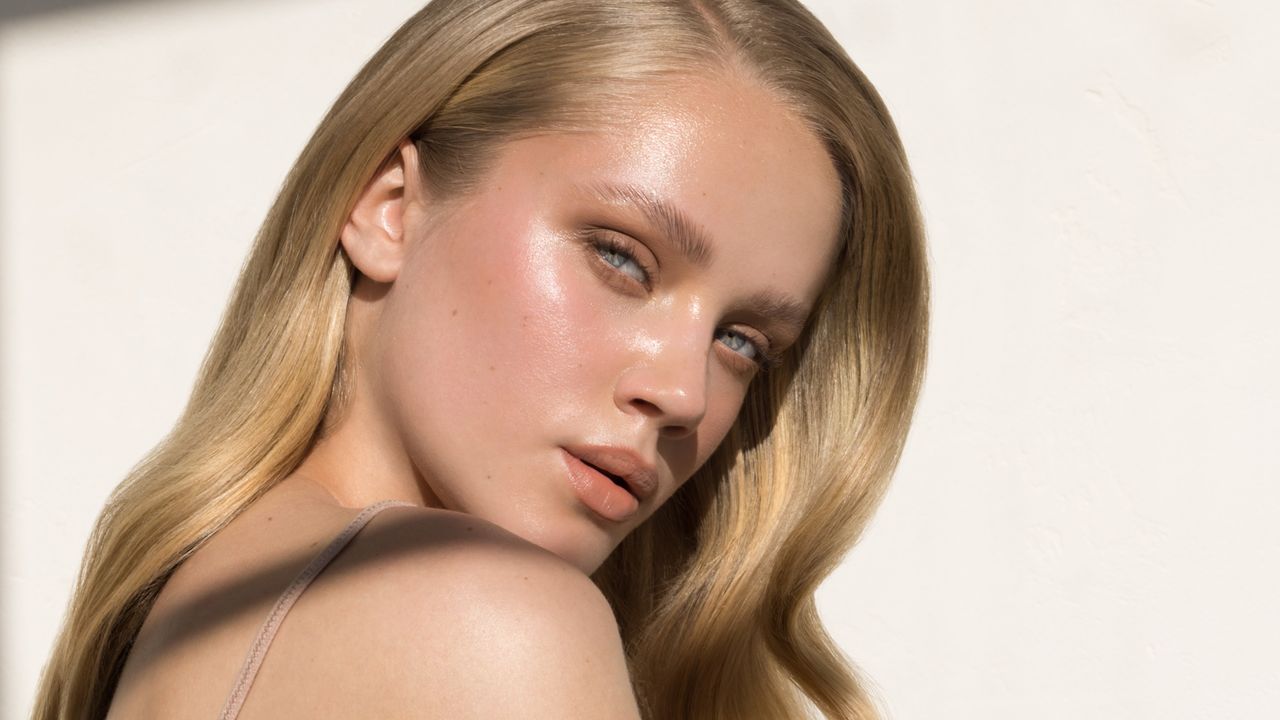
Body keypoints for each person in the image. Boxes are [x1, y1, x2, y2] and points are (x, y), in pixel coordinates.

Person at [33, 0, 929, 718]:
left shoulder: (198, 605)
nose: (683, 392)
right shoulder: (489, 621)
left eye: (742, 342)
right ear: (389, 207)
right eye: (621, 257)